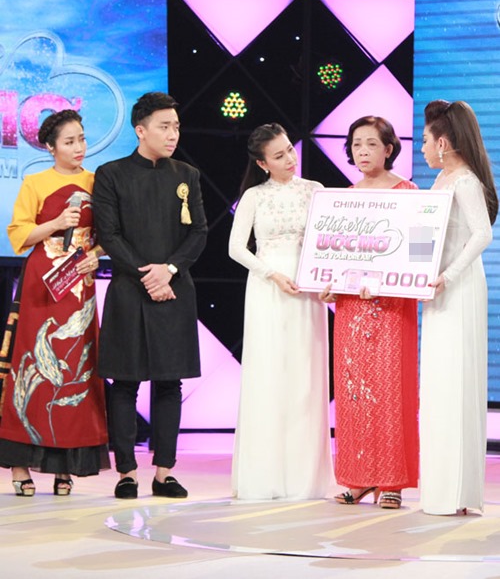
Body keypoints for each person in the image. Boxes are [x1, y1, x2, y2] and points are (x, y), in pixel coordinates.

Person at [92, 92, 207, 499]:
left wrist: (169, 270)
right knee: (124, 382)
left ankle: (164, 472)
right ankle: (126, 472)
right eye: (164, 126)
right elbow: (109, 235)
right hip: (129, 289)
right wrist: (148, 274)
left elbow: (199, 232)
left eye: (176, 126)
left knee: (169, 382)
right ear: (140, 130)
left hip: (174, 290)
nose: (173, 134)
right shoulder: (111, 174)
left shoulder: (187, 175)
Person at [0, 110, 109, 496]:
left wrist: (96, 253)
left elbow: (109, 233)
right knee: (31, 364)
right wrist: (56, 223)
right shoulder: (35, 182)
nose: (79, 147)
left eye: (82, 138)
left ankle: (66, 465)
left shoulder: (97, 182)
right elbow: (19, 234)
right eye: (69, 141)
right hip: (41, 283)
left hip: (79, 283)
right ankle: (19, 465)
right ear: (50, 147)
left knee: (77, 367)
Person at [229, 123, 333, 500]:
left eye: (290, 149)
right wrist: (271, 274)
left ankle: (305, 480)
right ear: (262, 163)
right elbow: (235, 248)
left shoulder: (316, 190)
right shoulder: (254, 197)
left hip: (308, 291)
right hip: (267, 290)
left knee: (306, 378)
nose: (290, 158)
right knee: (269, 375)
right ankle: (265, 477)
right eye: (279, 155)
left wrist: (327, 280)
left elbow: (329, 243)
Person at [320, 116, 419, 509]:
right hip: (351, 307)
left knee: (390, 390)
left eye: (371, 144)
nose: (362, 151)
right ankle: (358, 477)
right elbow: (334, 253)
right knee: (353, 391)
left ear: (389, 149)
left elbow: (417, 251)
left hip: (391, 305)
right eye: (356, 144)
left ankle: (391, 482)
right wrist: (328, 283)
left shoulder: (408, 193)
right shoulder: (345, 197)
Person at [419, 100, 497, 515]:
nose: (422, 149)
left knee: (456, 381)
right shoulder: (442, 179)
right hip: (438, 288)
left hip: (460, 288)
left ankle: (458, 493)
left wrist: (447, 275)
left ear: (443, 143)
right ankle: (440, 489)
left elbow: (482, 234)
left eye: (425, 141)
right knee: (439, 384)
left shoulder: (465, 181)